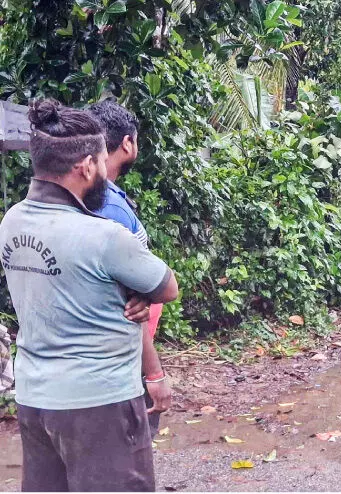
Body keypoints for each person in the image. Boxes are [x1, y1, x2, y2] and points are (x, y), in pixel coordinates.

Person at [0, 99, 178, 491]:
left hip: (35, 399)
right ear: (85, 166)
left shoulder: (11, 222)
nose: (105, 175)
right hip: (100, 403)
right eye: (100, 162)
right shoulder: (103, 236)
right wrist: (137, 293)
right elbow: (167, 286)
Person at [89, 99, 170, 437]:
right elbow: (126, 306)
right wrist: (154, 373)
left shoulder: (94, 197)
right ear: (127, 143)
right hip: (119, 356)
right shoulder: (109, 207)